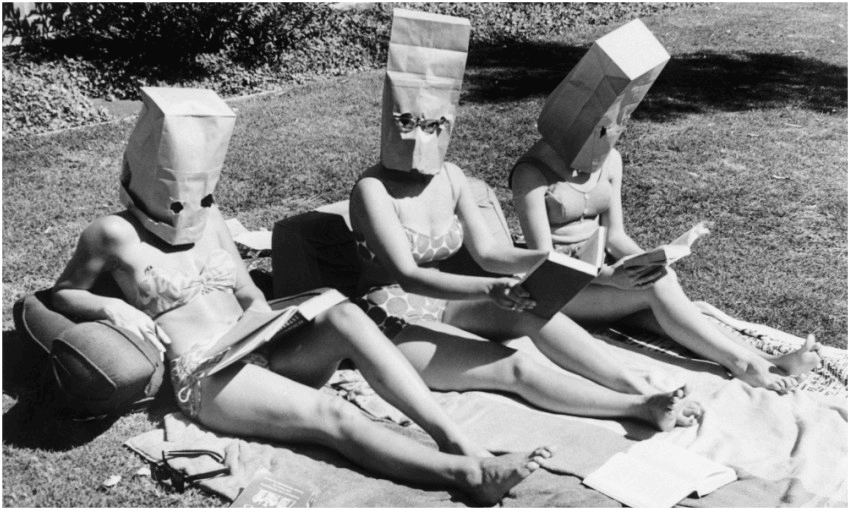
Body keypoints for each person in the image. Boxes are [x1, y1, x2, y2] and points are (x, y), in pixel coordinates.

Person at [51, 86, 554, 506]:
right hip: (208, 373)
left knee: (345, 313)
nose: (194, 207)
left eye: (203, 194)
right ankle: (463, 474)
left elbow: (248, 292)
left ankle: (456, 438)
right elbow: (59, 297)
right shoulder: (111, 233)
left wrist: (278, 319)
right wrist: (109, 304)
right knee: (333, 416)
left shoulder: (211, 218)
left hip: (258, 343)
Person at [349, 8, 703, 429]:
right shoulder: (371, 189)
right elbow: (408, 276)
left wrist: (551, 266)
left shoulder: (451, 175)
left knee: (534, 310)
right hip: (392, 316)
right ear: (394, 121)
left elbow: (490, 252)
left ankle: (637, 387)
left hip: (448, 302)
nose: (426, 130)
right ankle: (640, 408)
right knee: (513, 369)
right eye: (413, 121)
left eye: (436, 122)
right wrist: (493, 288)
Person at [509, 19, 821, 394]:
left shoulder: (610, 160)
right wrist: (615, 279)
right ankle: (745, 365)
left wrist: (649, 262)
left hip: (601, 276)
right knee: (656, 294)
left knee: (664, 305)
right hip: (557, 293)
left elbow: (617, 236)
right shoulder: (532, 173)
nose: (608, 137)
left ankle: (766, 360)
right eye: (601, 129)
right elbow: (542, 261)